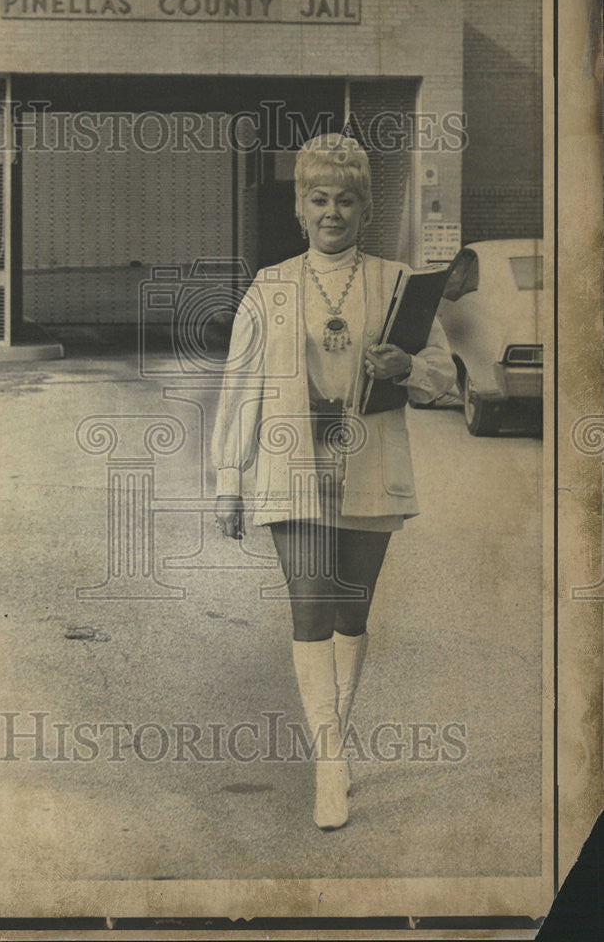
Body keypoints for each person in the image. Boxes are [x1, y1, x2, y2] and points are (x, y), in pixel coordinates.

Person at [211, 133, 456, 830]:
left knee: (351, 614)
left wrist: (402, 368)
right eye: (318, 199)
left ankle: (334, 742)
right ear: (299, 207)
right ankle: (328, 763)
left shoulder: (395, 282)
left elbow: (441, 372)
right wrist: (228, 479)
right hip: (289, 466)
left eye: (345, 200)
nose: (331, 212)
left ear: (364, 208)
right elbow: (240, 386)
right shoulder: (271, 285)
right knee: (310, 607)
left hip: (369, 462)